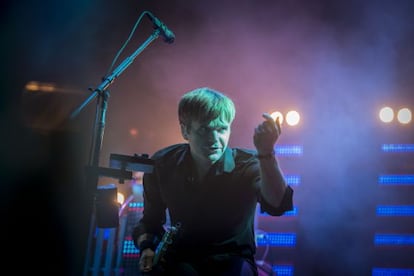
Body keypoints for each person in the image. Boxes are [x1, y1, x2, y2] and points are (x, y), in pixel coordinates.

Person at [132, 87, 294, 275]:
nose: (214, 139)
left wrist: (266, 153)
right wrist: (147, 248)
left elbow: (277, 205)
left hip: (233, 261)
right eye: (204, 130)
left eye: (221, 129)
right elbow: (150, 221)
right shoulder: (163, 163)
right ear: (185, 130)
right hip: (182, 261)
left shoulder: (248, 163)